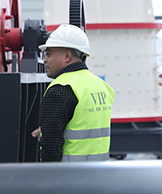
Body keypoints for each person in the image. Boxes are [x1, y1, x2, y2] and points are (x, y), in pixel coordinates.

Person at [32, 24, 114, 162]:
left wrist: (49, 133)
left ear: (67, 56)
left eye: (49, 54)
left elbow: (51, 147)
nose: (45, 60)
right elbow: (84, 125)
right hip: (100, 171)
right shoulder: (102, 86)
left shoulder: (60, 89)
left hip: (70, 173)